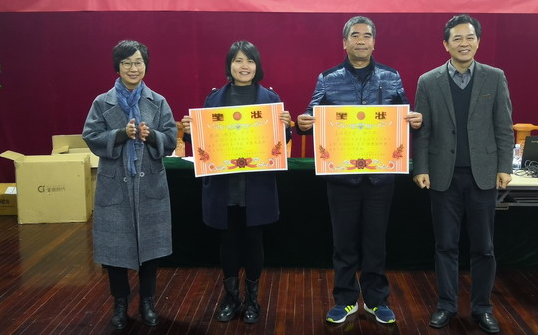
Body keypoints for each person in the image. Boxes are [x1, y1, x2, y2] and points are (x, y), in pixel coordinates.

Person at [296, 16, 422, 325]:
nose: (361, 40)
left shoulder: (391, 77)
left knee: (375, 241)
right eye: (355, 35)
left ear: (374, 42)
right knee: (344, 242)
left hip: (381, 175)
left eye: (367, 35)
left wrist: (415, 121)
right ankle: (346, 300)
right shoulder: (328, 78)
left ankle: (377, 301)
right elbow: (311, 115)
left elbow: (404, 115)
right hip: (341, 176)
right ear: (345, 42)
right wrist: (303, 123)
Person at [411, 14, 513, 334]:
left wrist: (504, 167)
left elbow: (503, 126)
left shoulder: (494, 77)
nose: (464, 43)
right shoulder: (428, 81)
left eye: (469, 38)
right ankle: (446, 305)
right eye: (457, 38)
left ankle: (482, 307)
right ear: (446, 44)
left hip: (483, 175)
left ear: (478, 42)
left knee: (483, 247)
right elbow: (423, 131)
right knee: (445, 245)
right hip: (443, 176)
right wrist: (421, 167)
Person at [180, 40, 292, 324]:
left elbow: (280, 142)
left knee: (254, 241)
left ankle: (252, 299)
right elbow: (204, 142)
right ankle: (231, 298)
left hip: (256, 185)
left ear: (257, 66)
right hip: (224, 184)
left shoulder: (270, 100)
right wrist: (191, 131)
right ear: (229, 65)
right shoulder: (214, 100)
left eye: (250, 61)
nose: (244, 66)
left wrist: (285, 127)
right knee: (228, 241)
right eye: (238, 60)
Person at [82, 40, 177, 329]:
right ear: (118, 67)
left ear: (145, 66)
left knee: (150, 247)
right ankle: (120, 303)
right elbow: (91, 136)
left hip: (149, 185)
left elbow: (171, 139)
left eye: (138, 62)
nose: (133, 68)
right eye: (127, 63)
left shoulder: (158, 101)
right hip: (115, 186)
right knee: (115, 250)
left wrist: (152, 136)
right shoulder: (102, 102)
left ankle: (147, 302)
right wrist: (121, 134)